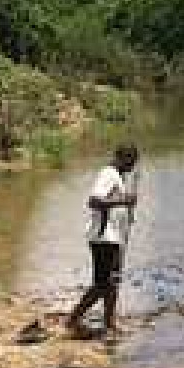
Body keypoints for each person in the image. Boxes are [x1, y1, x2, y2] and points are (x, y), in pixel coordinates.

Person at [66, 144, 139, 339]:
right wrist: (124, 202)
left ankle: (109, 324)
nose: (132, 167)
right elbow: (94, 201)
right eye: (131, 162)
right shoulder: (108, 174)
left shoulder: (118, 177)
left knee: (113, 282)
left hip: (114, 239)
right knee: (102, 284)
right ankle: (73, 319)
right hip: (103, 237)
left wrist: (127, 213)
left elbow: (113, 205)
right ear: (123, 158)